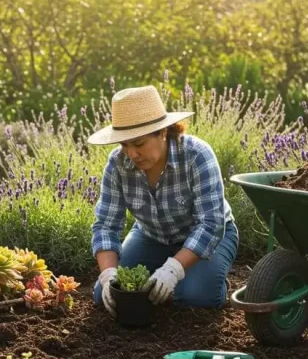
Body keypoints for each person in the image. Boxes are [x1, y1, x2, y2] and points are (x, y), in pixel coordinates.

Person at [87, 85, 238, 316]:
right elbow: (106, 225)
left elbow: (210, 224)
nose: (131, 154)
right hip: (152, 236)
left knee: (194, 297)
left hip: (211, 235)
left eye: (138, 144)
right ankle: (173, 276)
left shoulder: (197, 155)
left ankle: (210, 280)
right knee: (106, 295)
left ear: (163, 132)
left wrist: (173, 269)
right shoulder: (118, 164)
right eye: (124, 145)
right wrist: (108, 275)